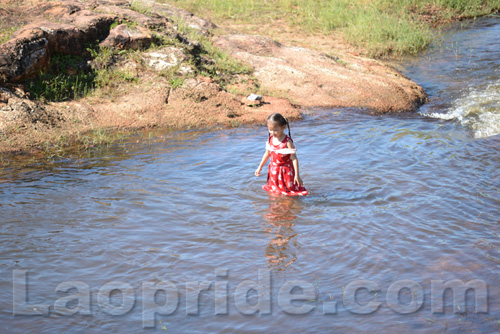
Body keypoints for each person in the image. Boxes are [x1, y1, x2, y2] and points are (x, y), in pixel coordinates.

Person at [255, 113, 308, 196]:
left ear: (283, 127)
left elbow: (294, 159)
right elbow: (267, 154)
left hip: (286, 172)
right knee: (275, 192)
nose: (272, 132)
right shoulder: (270, 139)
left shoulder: (287, 142)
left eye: (275, 130)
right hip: (274, 171)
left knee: (288, 193)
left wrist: (297, 175)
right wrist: (259, 167)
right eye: (270, 129)